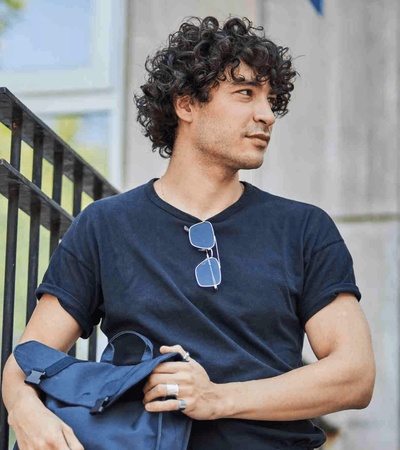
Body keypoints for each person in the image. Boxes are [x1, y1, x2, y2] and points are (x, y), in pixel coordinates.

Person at [2, 16, 375, 450]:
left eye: (271, 100)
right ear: (187, 105)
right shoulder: (105, 225)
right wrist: (26, 413)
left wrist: (219, 398)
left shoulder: (305, 228)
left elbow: (355, 373)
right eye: (245, 94)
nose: (267, 115)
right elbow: (26, 361)